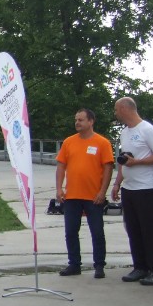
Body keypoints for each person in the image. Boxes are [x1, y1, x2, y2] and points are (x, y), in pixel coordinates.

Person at [55, 109, 114, 278]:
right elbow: (61, 166)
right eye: (76, 120)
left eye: (81, 120)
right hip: (72, 196)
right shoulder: (69, 142)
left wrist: (102, 192)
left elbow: (108, 168)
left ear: (91, 121)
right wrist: (59, 188)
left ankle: (99, 265)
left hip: (93, 196)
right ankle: (74, 264)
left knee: (97, 232)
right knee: (71, 232)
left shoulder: (102, 143)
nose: (77, 123)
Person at [110, 97, 153, 284]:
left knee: (149, 230)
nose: (115, 113)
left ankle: (152, 268)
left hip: (147, 188)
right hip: (129, 188)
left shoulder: (147, 130)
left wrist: (138, 162)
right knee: (133, 229)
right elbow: (124, 160)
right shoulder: (124, 133)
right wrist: (117, 183)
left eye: (116, 110)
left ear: (125, 109)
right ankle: (140, 267)